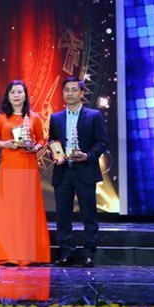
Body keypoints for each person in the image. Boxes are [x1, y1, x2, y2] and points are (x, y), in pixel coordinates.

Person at [49, 76, 108, 268]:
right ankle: (66, 253)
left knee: (89, 215)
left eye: (74, 90)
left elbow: (102, 141)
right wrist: (55, 155)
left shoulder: (93, 115)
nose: (70, 93)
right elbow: (53, 143)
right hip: (63, 172)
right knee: (63, 215)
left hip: (85, 170)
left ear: (82, 93)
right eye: (67, 90)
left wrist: (88, 155)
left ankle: (89, 254)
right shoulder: (56, 117)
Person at [0, 80, 50, 265]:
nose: (16, 95)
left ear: (25, 95)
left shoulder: (34, 117)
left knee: (27, 208)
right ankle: (6, 253)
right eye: (12, 92)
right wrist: (4, 144)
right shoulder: (1, 117)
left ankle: (29, 253)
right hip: (9, 165)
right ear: (8, 96)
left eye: (20, 92)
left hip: (27, 164)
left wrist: (35, 147)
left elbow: (42, 139)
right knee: (10, 208)